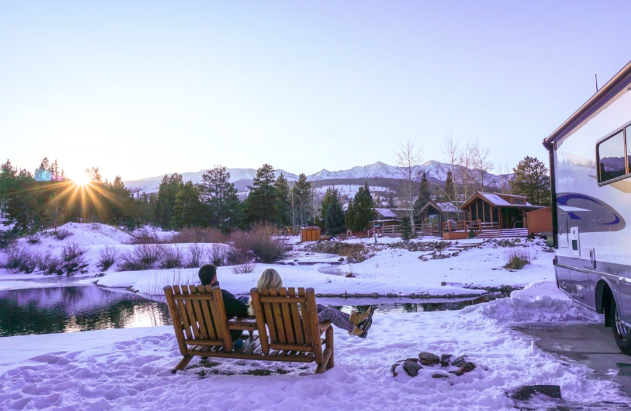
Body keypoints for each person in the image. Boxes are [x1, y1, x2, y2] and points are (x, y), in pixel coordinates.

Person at [248, 268, 374, 338]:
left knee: (319, 307)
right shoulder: (282, 294)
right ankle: (355, 328)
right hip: (299, 327)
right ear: (278, 281)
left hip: (291, 326)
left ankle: (356, 319)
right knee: (329, 311)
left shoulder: (257, 297)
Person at [198, 264, 248, 344]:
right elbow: (243, 311)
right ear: (214, 278)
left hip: (204, 335)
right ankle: (237, 345)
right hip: (227, 336)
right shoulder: (222, 296)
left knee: (241, 301)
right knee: (245, 301)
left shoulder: (194, 297)